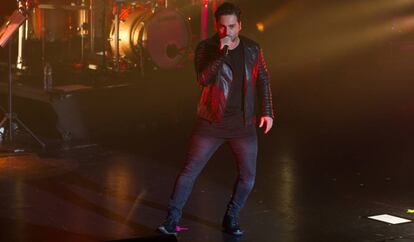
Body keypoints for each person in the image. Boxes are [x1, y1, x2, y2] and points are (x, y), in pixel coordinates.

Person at [158, 2, 274, 236]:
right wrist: (222, 53)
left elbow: (262, 78)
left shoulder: (252, 48)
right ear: (216, 26)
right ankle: (172, 220)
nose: (227, 32)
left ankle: (231, 217)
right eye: (222, 27)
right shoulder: (206, 48)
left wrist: (268, 111)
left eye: (231, 26)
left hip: (242, 124)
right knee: (189, 171)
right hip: (211, 122)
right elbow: (203, 78)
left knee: (248, 178)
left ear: (240, 25)